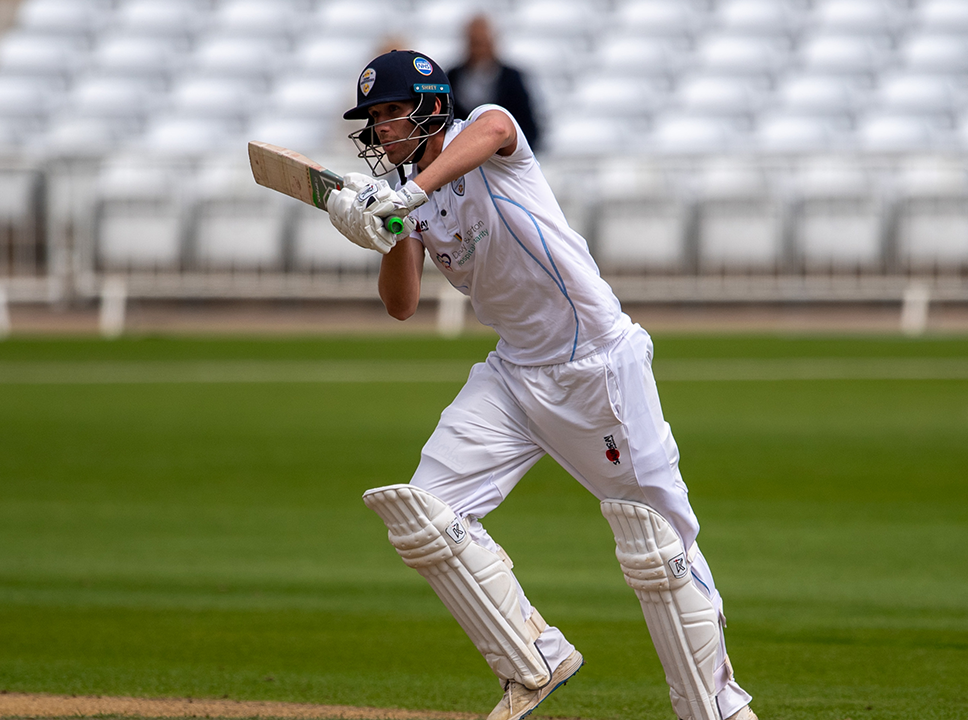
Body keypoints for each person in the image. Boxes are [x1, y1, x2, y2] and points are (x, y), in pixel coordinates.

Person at [324, 49, 758, 720]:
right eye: (372, 119)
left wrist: (407, 194)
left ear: (432, 105)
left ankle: (718, 710)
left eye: (388, 113)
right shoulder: (412, 197)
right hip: (514, 374)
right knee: (425, 514)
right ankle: (537, 659)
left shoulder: (488, 133)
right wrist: (386, 231)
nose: (380, 130)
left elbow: (494, 131)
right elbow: (402, 304)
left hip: (596, 366)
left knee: (656, 545)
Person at [447, 15, 539, 149]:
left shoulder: (512, 78)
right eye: (474, 43)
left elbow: (527, 122)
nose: (478, 49)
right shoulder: (452, 77)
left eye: (482, 43)